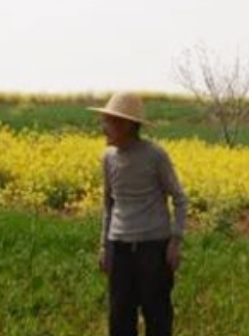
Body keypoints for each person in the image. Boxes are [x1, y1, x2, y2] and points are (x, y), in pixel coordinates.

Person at [89, 92, 189, 336]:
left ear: (126, 125)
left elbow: (180, 198)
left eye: (108, 122)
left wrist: (175, 242)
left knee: (157, 317)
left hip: (153, 249)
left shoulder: (155, 155)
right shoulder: (108, 158)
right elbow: (108, 204)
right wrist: (105, 246)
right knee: (120, 319)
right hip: (120, 249)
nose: (104, 129)